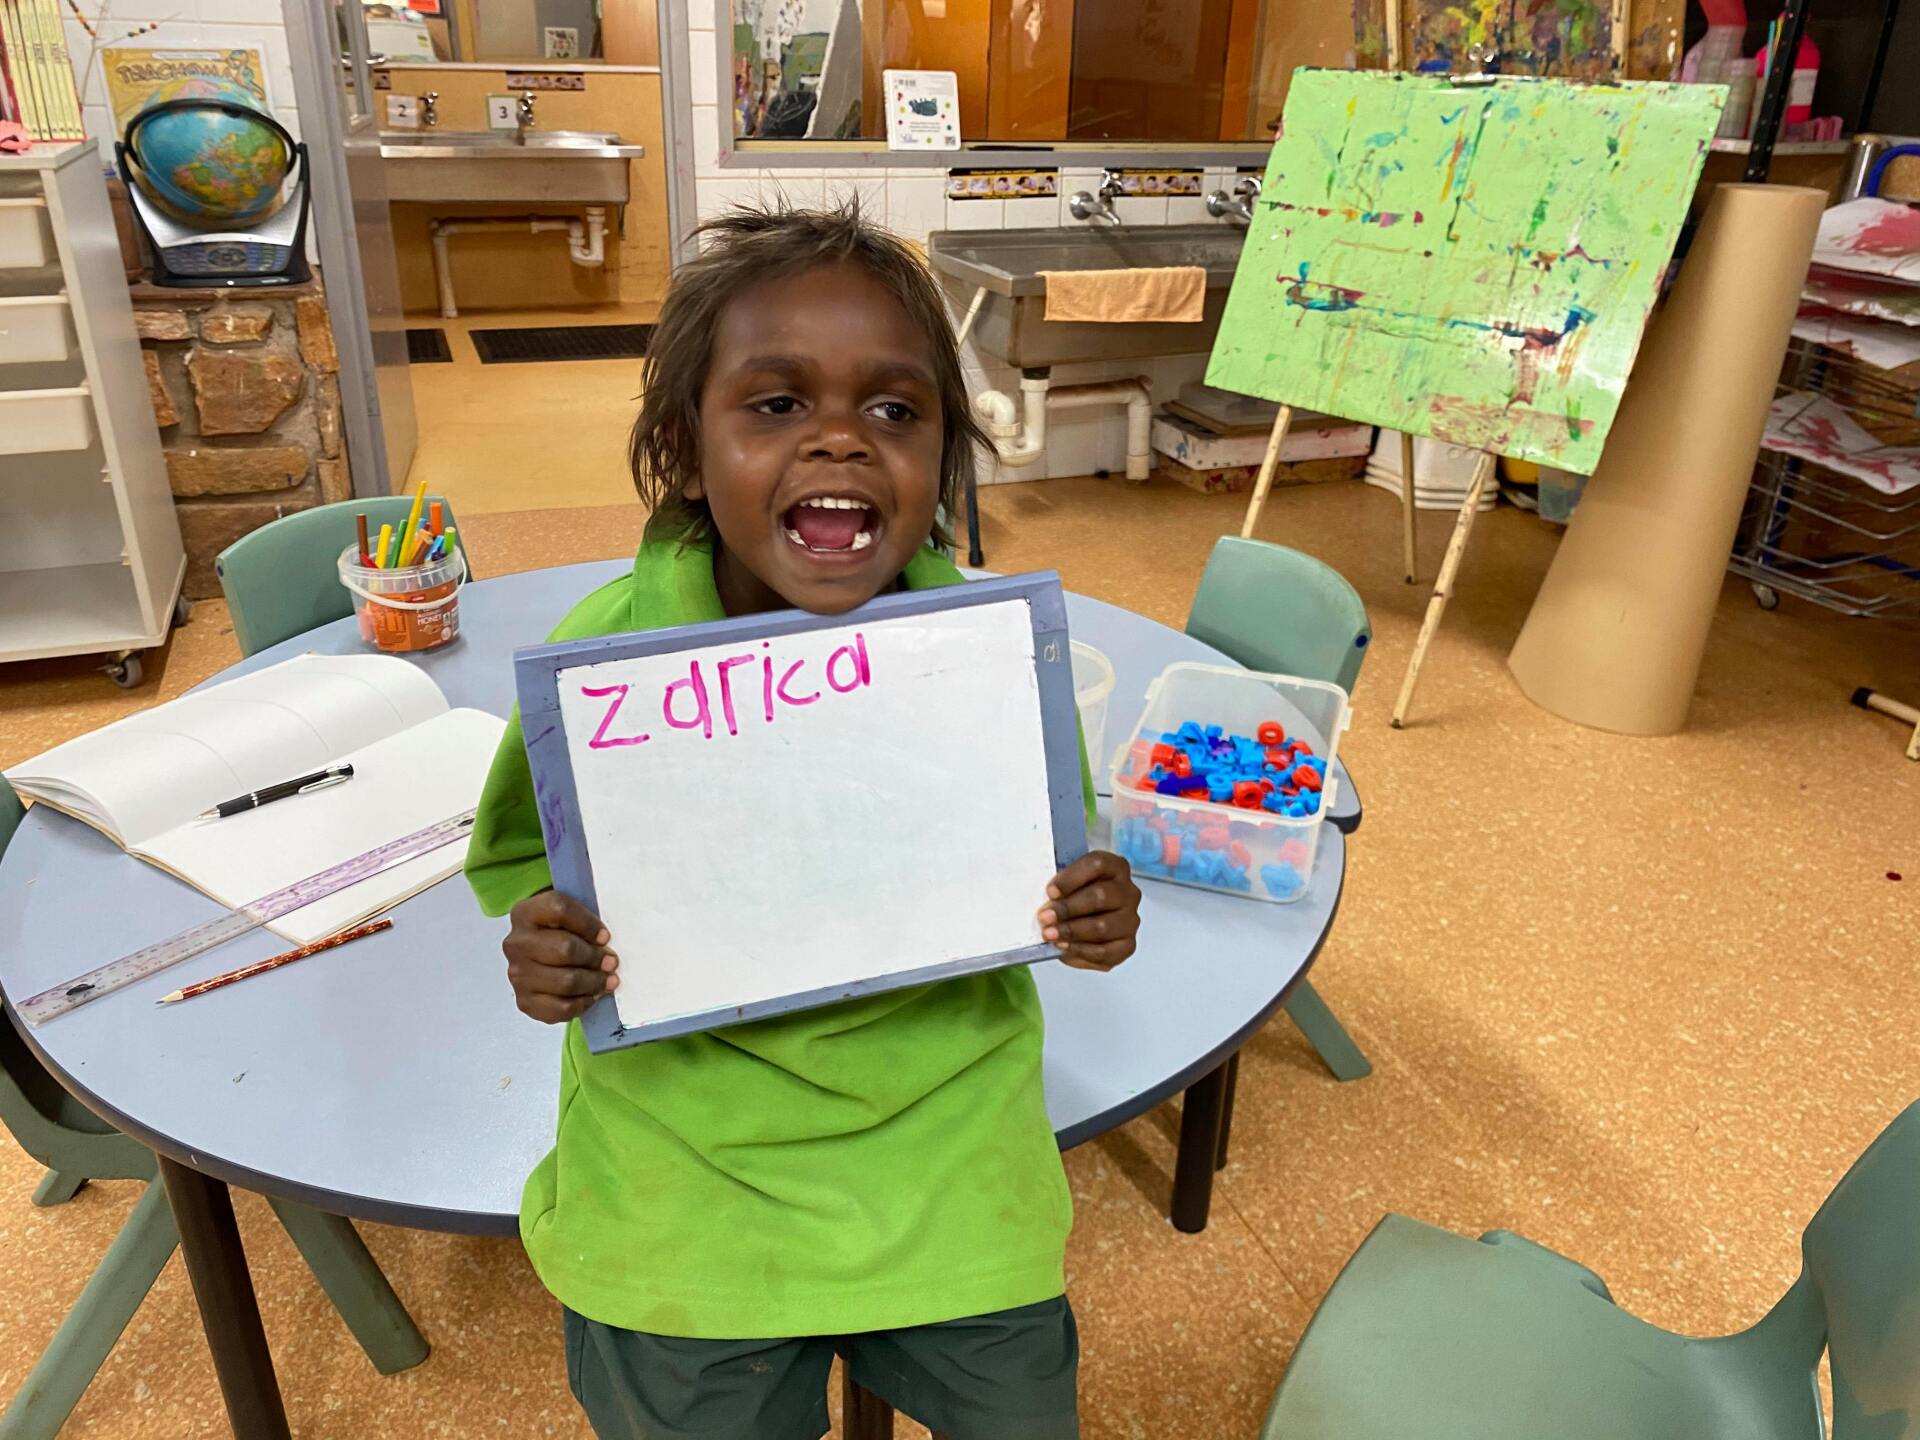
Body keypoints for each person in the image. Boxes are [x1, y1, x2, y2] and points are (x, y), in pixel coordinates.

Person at [465, 202, 1144, 1440]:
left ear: (945, 456)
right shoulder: (605, 664)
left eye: (895, 411)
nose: (841, 440)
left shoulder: (989, 658)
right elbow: (523, 858)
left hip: (950, 1165)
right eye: (777, 404)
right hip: (686, 1182)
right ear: (683, 444)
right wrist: (544, 942)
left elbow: (1050, 855)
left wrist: (1094, 906)